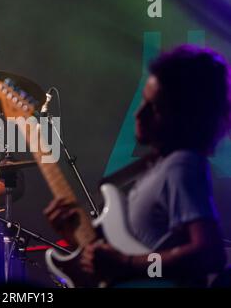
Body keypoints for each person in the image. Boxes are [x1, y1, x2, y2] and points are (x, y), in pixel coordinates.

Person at [45, 45, 229, 287]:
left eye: (154, 107)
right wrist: (77, 237)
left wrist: (128, 264)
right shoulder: (160, 167)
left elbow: (209, 255)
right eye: (143, 102)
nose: (138, 114)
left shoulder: (181, 164)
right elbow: (134, 252)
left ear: (183, 117)